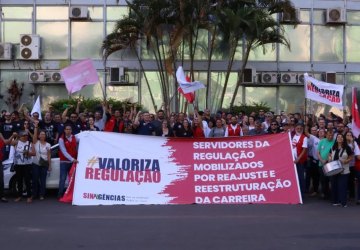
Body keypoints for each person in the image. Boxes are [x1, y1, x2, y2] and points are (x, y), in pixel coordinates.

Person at [329, 134, 353, 207]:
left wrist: (346, 161)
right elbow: (330, 154)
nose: (339, 138)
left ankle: (343, 202)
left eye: (341, 137)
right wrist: (329, 158)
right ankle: (335, 201)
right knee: (334, 186)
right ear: (336, 139)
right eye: (338, 137)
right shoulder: (333, 147)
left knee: (342, 186)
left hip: (344, 170)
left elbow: (351, 157)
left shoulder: (347, 148)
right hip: (334, 170)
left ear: (343, 139)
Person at [11, 130, 36, 203]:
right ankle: (19, 196)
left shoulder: (30, 143)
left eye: (26, 136)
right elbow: (11, 143)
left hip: (27, 164)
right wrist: (15, 136)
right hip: (18, 164)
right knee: (19, 180)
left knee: (27, 180)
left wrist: (29, 153)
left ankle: (29, 196)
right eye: (24, 136)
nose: (25, 137)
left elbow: (34, 153)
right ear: (20, 136)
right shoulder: (17, 142)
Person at [32, 121, 51, 200]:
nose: (43, 135)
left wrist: (49, 165)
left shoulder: (48, 145)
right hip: (36, 163)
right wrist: (36, 127)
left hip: (44, 164)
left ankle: (41, 194)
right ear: (39, 136)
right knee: (35, 179)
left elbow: (49, 155)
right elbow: (34, 136)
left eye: (44, 134)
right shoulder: (36, 142)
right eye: (41, 134)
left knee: (43, 180)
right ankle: (34, 194)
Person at [58, 124, 78, 198]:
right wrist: (73, 159)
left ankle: (70, 194)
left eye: (69, 129)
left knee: (72, 179)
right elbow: (64, 151)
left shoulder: (75, 137)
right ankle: (60, 195)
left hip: (72, 162)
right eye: (67, 129)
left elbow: (82, 141)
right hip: (64, 162)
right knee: (63, 178)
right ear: (64, 130)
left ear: (71, 130)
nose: (68, 130)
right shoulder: (61, 139)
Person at [317, 130, 335, 200]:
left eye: (331, 135)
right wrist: (321, 160)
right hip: (321, 164)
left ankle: (331, 194)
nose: (330, 137)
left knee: (330, 179)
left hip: (330, 164)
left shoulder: (335, 142)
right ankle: (324, 194)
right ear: (326, 135)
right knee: (323, 180)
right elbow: (318, 152)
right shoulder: (322, 141)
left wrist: (327, 160)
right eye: (329, 135)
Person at [291, 123, 308, 195]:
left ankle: (301, 193)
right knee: (294, 177)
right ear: (295, 129)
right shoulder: (292, 136)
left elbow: (304, 150)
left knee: (300, 176)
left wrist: (298, 158)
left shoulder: (304, 137)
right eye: (297, 128)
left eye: (300, 128)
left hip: (299, 160)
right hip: (292, 159)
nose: (299, 130)